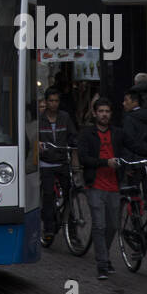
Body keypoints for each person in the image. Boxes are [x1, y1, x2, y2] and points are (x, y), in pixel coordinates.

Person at [77, 97, 124, 280]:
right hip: (95, 185)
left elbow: (133, 146)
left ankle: (104, 256)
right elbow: (83, 158)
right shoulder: (87, 134)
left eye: (107, 111)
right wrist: (106, 162)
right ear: (95, 113)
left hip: (113, 185)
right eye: (101, 111)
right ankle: (102, 264)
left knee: (113, 225)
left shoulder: (118, 133)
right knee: (99, 225)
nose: (104, 114)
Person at [38, 89, 78, 246]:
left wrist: (75, 145)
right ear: (46, 102)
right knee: (48, 195)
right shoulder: (40, 119)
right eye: (51, 101)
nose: (53, 104)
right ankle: (48, 230)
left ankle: (72, 230)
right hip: (46, 163)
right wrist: (38, 144)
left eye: (56, 101)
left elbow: (72, 135)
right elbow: (32, 136)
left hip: (62, 161)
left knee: (70, 194)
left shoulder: (65, 117)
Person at [121, 86, 147, 162]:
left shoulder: (129, 119)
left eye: (126, 100)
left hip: (135, 160)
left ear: (135, 102)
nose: (123, 103)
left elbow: (128, 141)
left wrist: (128, 162)